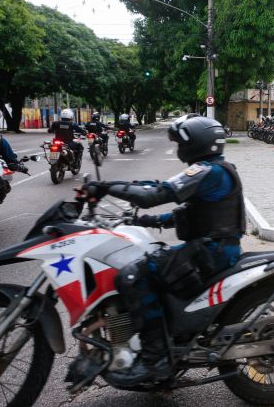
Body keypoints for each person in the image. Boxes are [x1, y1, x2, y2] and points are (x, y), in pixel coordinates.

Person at [84, 115, 244, 386]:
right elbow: (183, 210)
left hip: (212, 251)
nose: (179, 149)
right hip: (213, 247)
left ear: (196, 144)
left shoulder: (208, 171)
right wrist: (139, 220)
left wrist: (106, 188)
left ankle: (155, 360)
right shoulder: (213, 169)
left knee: (133, 275)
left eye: (181, 143)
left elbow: (154, 194)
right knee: (149, 259)